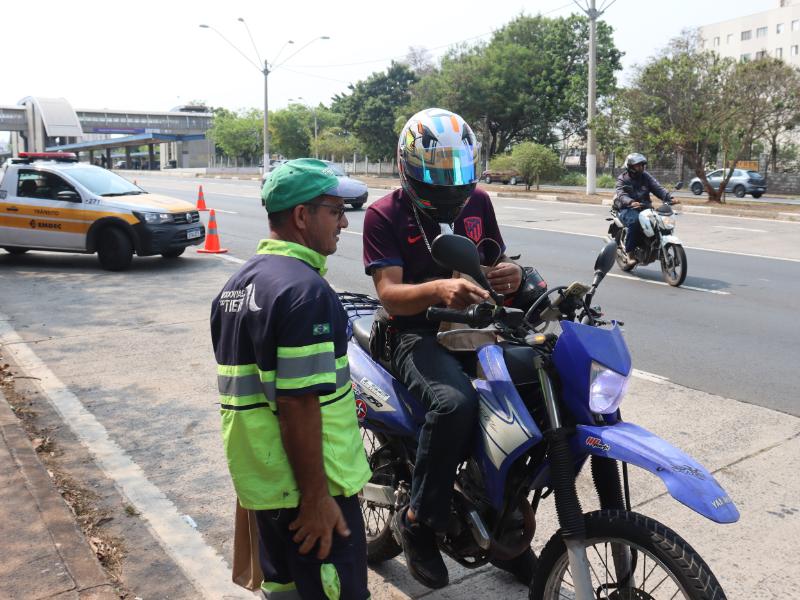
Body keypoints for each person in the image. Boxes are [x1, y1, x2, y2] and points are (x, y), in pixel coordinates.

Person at [362, 108, 534, 589]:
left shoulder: (478, 201)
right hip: (412, 332)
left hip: (475, 325)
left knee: (531, 394)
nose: (450, 186)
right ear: (407, 167)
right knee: (454, 403)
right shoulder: (384, 214)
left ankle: (505, 527)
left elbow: (493, 262)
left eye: (456, 173)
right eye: (436, 175)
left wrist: (511, 277)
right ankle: (419, 519)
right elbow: (390, 295)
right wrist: (439, 290)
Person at [211, 158, 372, 600]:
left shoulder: (235, 287)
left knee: (284, 592)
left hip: (267, 490)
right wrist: (317, 500)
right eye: (335, 210)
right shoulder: (305, 292)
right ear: (303, 216)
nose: (343, 222)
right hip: (314, 494)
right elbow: (297, 405)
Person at [614, 153, 673, 265]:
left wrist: (669, 197)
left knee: (658, 222)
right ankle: (630, 253)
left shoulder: (646, 176)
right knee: (635, 222)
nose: (641, 168)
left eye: (642, 165)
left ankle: (654, 246)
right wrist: (630, 202)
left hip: (645, 207)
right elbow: (621, 194)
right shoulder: (622, 179)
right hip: (627, 208)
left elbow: (657, 188)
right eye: (638, 166)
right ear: (630, 167)